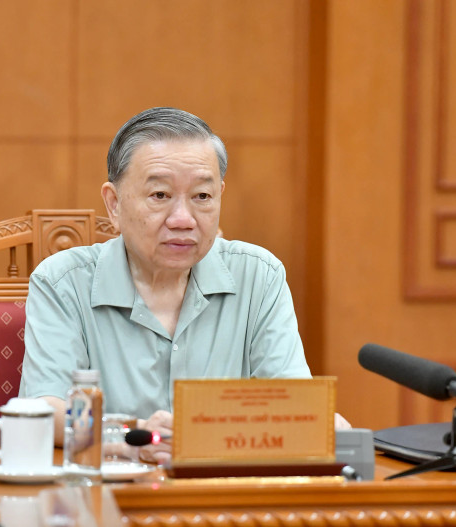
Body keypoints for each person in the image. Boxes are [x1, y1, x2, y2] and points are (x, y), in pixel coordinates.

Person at [19, 107, 349, 464]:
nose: (183, 219)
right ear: (113, 205)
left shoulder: (259, 276)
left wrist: (196, 435)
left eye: (202, 197)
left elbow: (295, 406)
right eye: (160, 196)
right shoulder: (63, 283)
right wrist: (131, 436)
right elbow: (44, 407)